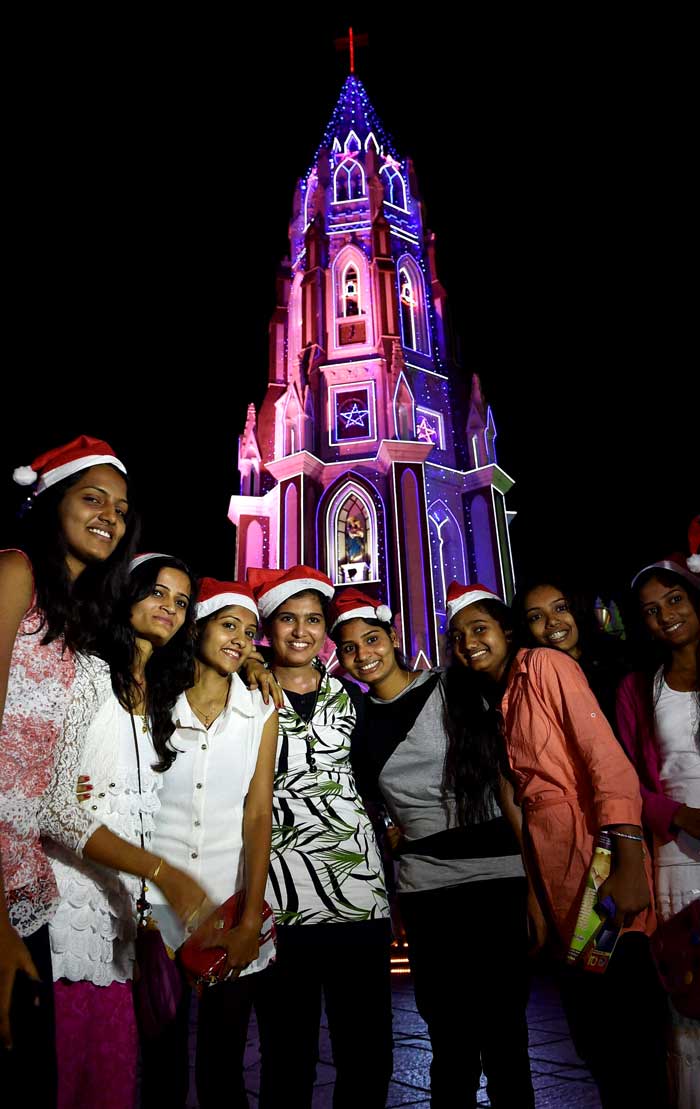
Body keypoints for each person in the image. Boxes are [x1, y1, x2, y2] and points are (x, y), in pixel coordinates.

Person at [447, 579, 670, 1109]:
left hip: (601, 866)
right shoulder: (494, 701)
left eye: (480, 628)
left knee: (628, 1036)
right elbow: (522, 810)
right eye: (457, 636)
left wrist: (630, 861)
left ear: (506, 630)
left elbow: (605, 760)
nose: (469, 642)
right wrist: (537, 900)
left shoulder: (545, 667)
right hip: (559, 881)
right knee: (593, 1037)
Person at [330, 587, 536, 1109]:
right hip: (429, 892)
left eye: (372, 639)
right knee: (450, 1040)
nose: (364, 654)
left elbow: (509, 780)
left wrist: (534, 876)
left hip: (498, 881)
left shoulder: (456, 688)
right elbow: (371, 806)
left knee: (507, 1036)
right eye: (350, 647)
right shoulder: (354, 720)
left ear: (393, 637)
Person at [0, 435, 141, 1099]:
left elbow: (52, 786)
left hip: (31, 885)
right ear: (52, 501)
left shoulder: (77, 628)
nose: (110, 514)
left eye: (119, 505)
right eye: (92, 498)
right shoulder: (15, 572)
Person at [47, 551, 209, 1108]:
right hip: (71, 903)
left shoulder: (164, 694)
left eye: (182, 601)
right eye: (157, 592)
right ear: (127, 593)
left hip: (127, 914)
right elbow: (55, 808)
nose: (170, 607)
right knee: (67, 1077)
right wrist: (162, 872)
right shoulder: (83, 672)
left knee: (115, 1084)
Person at [247, 565, 393, 1109]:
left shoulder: (353, 699)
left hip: (358, 888)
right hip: (279, 895)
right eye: (288, 619)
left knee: (368, 1049)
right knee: (288, 1052)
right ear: (268, 626)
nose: (301, 631)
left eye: (313, 620)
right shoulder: (247, 694)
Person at [139, 577, 278, 1108]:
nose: (241, 639)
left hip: (228, 910)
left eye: (249, 632)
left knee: (224, 1068)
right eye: (228, 626)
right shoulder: (152, 700)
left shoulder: (261, 711)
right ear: (196, 629)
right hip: (156, 916)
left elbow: (258, 813)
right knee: (161, 1066)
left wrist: (249, 924)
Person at [617, 549, 700, 1107]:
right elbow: (629, 783)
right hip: (680, 855)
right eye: (649, 609)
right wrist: (681, 816)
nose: (665, 615)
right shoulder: (637, 689)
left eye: (674, 600)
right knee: (690, 1010)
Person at [513, 577, 627, 728]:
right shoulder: (530, 686)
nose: (552, 621)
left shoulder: (620, 660)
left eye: (560, 608)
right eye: (536, 617)